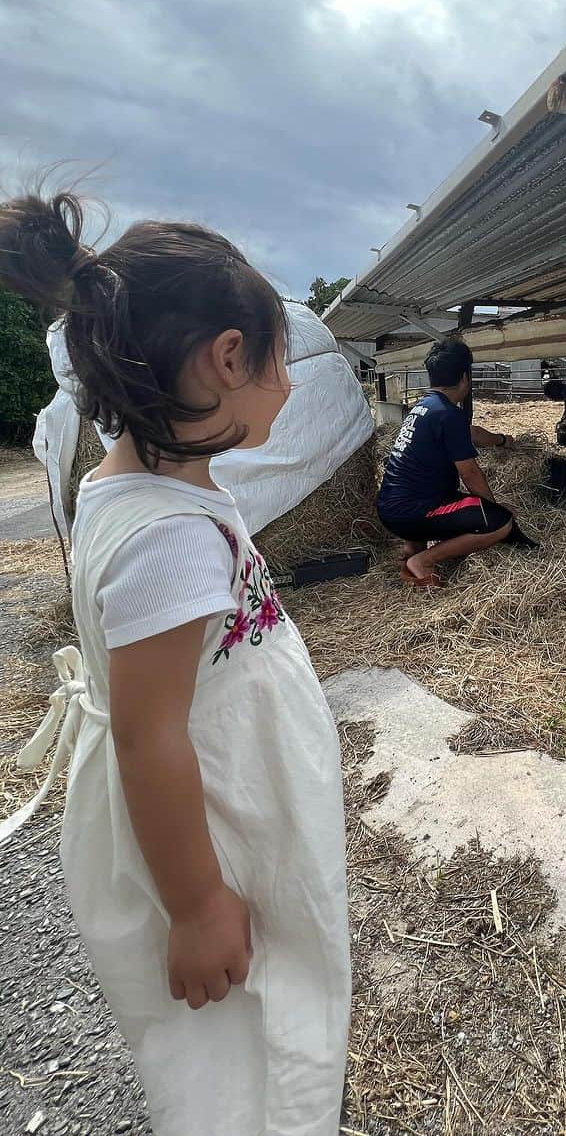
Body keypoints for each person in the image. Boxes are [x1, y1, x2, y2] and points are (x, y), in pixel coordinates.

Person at [0, 192, 349, 1136]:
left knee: (267, 1005)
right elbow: (152, 738)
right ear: (228, 358)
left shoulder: (141, 491)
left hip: (223, 803)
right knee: (245, 1028)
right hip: (214, 825)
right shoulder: (168, 538)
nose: (287, 382)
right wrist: (196, 903)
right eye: (278, 359)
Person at [377, 338, 526, 587]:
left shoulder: (424, 407)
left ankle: (412, 547)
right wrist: (493, 511)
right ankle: (423, 561)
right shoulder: (449, 414)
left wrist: (502, 440)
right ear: (465, 377)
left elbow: (473, 434)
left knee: (438, 496)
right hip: (413, 511)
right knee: (501, 524)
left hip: (390, 508)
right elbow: (470, 474)